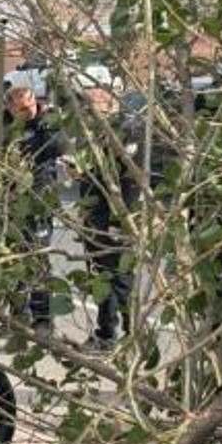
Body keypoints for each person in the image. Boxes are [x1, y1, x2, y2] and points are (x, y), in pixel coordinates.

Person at [75, 87, 136, 349]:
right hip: (95, 220)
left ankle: (125, 332)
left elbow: (129, 183)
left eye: (92, 107)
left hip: (115, 221)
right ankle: (107, 332)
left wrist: (118, 222)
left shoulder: (122, 136)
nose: (86, 113)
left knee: (118, 279)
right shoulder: (92, 137)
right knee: (101, 276)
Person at [4, 84, 62, 335]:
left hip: (40, 198)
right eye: (21, 109)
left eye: (30, 106)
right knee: (13, 257)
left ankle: (43, 317)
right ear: (10, 108)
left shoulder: (47, 124)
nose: (28, 111)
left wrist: (45, 122)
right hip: (14, 201)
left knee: (38, 258)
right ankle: (18, 312)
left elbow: (58, 147)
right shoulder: (9, 129)